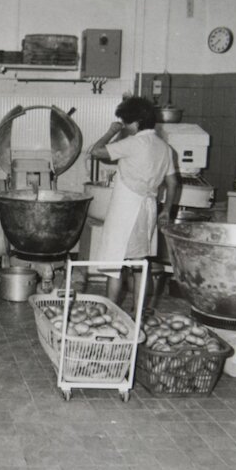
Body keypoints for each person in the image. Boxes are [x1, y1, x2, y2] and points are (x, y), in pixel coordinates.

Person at [86, 96, 179, 314]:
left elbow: (96, 151)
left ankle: (109, 312)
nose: (126, 127)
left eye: (126, 122)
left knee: (113, 262)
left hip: (126, 210)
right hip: (148, 209)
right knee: (140, 264)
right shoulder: (165, 148)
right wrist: (166, 209)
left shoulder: (133, 143)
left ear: (136, 122)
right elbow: (173, 182)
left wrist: (111, 131)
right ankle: (138, 313)